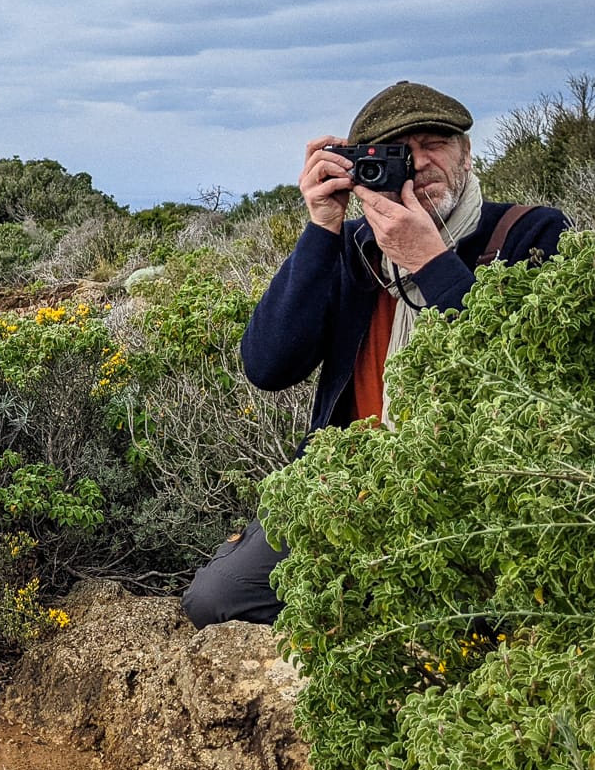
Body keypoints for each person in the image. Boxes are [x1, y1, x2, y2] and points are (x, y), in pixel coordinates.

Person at [181, 81, 569, 628]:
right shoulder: (354, 249)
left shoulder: (531, 232)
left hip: (475, 492)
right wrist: (322, 228)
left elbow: (523, 376)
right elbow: (268, 367)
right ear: (364, 167)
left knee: (486, 624)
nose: (419, 162)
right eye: (397, 152)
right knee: (216, 600)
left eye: (434, 142)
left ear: (466, 153)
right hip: (350, 482)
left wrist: (430, 261)